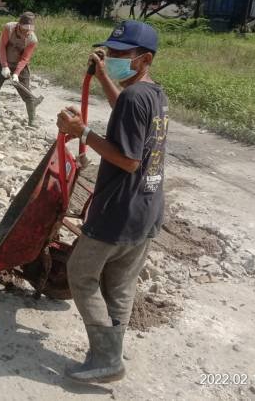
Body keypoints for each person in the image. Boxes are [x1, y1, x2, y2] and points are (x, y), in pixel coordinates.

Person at [56, 20, 168, 383]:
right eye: (112, 52)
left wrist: (82, 132)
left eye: (122, 55)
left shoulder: (135, 98)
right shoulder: (152, 94)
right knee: (119, 284)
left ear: (144, 59)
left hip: (118, 210)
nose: (115, 58)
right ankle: (110, 355)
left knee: (81, 273)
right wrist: (104, 74)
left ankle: (106, 357)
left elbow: (128, 159)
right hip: (146, 207)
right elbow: (126, 111)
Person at [0, 12, 42, 126]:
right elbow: (2, 47)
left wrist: (16, 73)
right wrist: (4, 66)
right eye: (25, 27)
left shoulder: (32, 39)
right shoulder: (9, 28)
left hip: (20, 65)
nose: (27, 31)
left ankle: (32, 120)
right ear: (19, 24)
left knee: (26, 93)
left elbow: (25, 58)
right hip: (3, 61)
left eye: (30, 28)